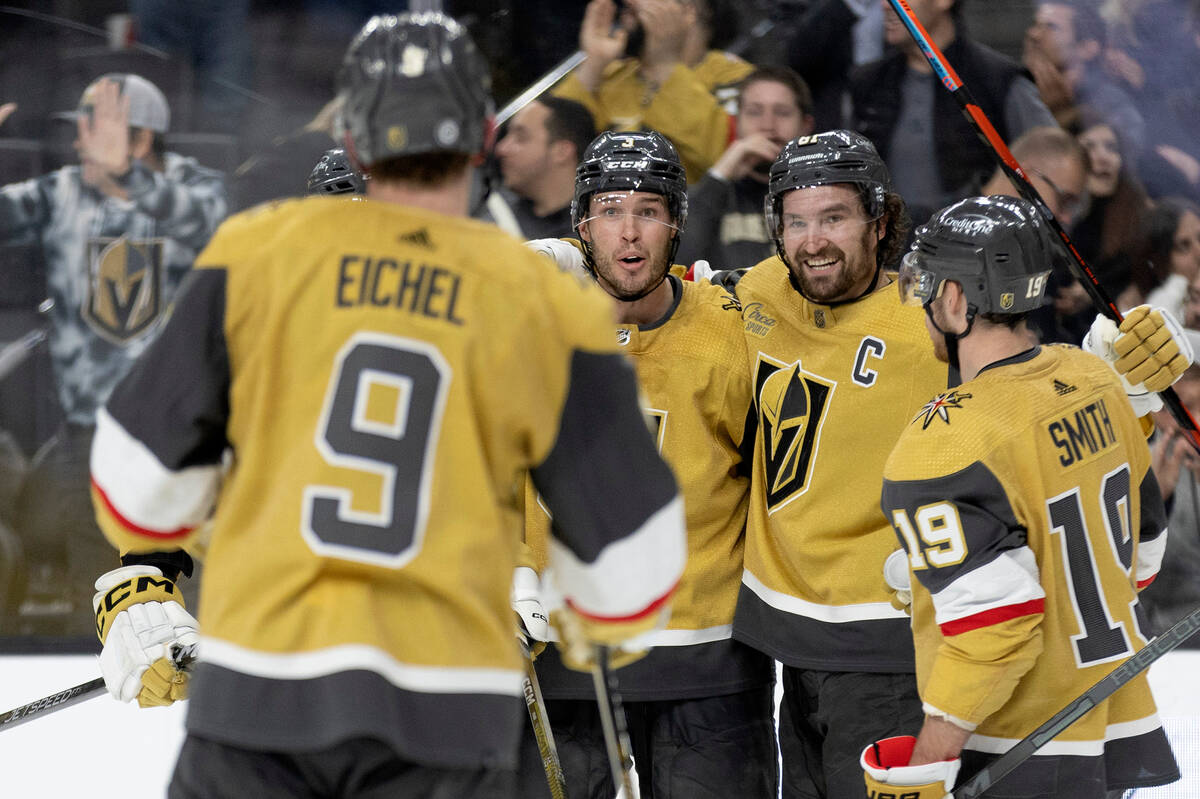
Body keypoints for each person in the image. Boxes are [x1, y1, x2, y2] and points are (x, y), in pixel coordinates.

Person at [86, 13, 685, 798]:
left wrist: (142, 581)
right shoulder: (535, 301)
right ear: (479, 137)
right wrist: (549, 594)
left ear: (358, 142)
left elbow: (134, 488)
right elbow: (635, 568)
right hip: (445, 714)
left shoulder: (251, 260)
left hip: (258, 701)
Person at [865, 194, 1182, 798]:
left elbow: (997, 631)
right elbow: (1141, 557)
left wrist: (926, 764)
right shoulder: (1096, 380)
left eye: (927, 288)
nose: (923, 304)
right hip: (1112, 723)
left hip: (1018, 751)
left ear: (954, 299)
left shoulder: (943, 442)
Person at [519, 130, 776, 798]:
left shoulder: (734, 328)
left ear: (678, 226)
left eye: (648, 210)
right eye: (609, 210)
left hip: (709, 666)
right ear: (580, 227)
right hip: (565, 662)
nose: (629, 233)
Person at [730, 129, 936, 799]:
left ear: (880, 223)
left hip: (889, 656)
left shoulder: (929, 323)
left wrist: (1115, 377)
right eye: (796, 221)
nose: (812, 240)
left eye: (835, 218)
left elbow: (1020, 402)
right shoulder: (762, 291)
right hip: (791, 646)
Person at [0, 72, 226, 635]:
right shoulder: (63, 192)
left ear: (142, 140)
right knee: (91, 599)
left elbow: (221, 223)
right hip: (86, 437)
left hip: (178, 441)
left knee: (180, 593)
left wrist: (128, 176)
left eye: (91, 127)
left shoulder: (195, 188)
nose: (77, 140)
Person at [850, 0, 1057, 226]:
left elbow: (1053, 162)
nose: (886, 5)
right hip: (888, 248)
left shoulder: (998, 81)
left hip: (974, 247)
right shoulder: (867, 82)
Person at [554, 0, 752, 183]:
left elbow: (733, 162)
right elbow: (547, 151)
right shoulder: (609, 76)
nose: (627, 2)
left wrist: (663, 66)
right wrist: (593, 64)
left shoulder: (739, 80)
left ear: (688, 9)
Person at [678, 65, 815, 271]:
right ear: (736, 122)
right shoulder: (713, 194)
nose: (768, 125)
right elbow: (675, 261)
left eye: (782, 113)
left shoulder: (823, 197)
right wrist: (719, 176)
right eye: (754, 112)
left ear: (806, 125)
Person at [1022, 0, 1145, 154]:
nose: (1033, 34)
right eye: (1036, 24)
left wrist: (1060, 115)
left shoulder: (1111, 107)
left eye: (1051, 27)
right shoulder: (1015, 90)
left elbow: (1117, 165)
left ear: (1087, 48)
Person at [489, 96, 595, 239]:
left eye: (520, 138)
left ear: (562, 152)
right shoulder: (494, 215)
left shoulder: (601, 232)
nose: (501, 148)